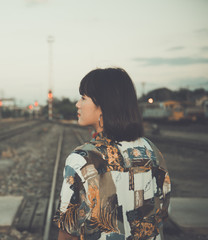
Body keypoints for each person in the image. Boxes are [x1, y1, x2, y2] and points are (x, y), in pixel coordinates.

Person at [54, 68, 171, 240]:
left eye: (83, 98)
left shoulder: (81, 159)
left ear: (103, 106)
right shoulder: (152, 150)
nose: (77, 104)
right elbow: (162, 211)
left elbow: (68, 232)